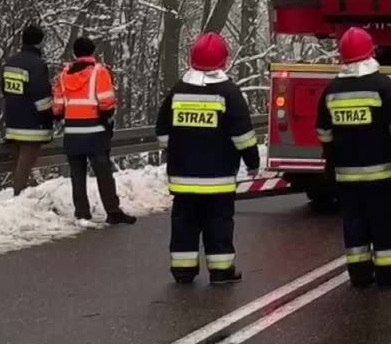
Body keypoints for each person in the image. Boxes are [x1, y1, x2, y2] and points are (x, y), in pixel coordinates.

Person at [155, 33, 260, 284]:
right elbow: (242, 135)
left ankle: (183, 270)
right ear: (224, 60)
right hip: (218, 178)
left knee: (184, 222)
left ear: (192, 58)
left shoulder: (178, 91)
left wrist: (178, 150)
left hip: (183, 177)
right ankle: (221, 271)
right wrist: (252, 162)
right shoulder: (229, 92)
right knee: (218, 223)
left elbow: (162, 133)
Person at [316, 27, 391, 288]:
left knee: (354, 223)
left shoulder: (332, 90)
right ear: (371, 53)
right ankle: (389, 274)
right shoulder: (383, 86)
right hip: (381, 173)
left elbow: (324, 131)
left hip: (346, 175)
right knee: (385, 222)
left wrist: (330, 159)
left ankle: (360, 274)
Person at [52, 36, 136, 224]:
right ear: (92, 52)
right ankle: (112, 212)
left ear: (74, 53)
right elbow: (107, 102)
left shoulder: (64, 76)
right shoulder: (99, 72)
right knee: (103, 172)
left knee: (77, 174)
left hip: (72, 133)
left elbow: (57, 107)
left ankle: (82, 212)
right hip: (95, 131)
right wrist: (107, 119)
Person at [1, 25, 54, 195]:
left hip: (13, 121)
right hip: (32, 125)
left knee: (17, 165)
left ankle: (18, 196)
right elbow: (41, 96)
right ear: (39, 43)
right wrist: (48, 118)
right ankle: (18, 199)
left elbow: (5, 90)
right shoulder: (37, 65)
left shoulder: (10, 62)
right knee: (24, 166)